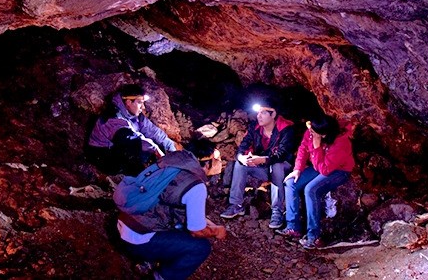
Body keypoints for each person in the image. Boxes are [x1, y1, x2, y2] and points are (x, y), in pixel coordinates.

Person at [115, 138, 227, 280]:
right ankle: (161, 276)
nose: (218, 162)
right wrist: (217, 231)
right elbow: (196, 231)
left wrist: (207, 222)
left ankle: (147, 262)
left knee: (180, 224)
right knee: (200, 248)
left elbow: (166, 202)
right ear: (206, 162)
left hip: (123, 223)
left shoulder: (168, 162)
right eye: (216, 159)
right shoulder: (196, 186)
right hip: (137, 241)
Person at [276, 114, 355, 249]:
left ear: (323, 135)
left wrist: (316, 147)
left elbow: (325, 169)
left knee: (311, 190)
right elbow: (303, 149)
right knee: (291, 183)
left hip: (338, 170)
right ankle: (292, 227)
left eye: (313, 132)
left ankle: (314, 236)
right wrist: (297, 169)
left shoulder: (341, 142)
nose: (309, 132)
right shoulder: (312, 131)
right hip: (319, 165)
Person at [220, 97, 295, 229]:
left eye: (263, 113)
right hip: (264, 167)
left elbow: (282, 155)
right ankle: (236, 205)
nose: (259, 116)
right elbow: (242, 147)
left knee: (276, 165)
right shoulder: (255, 128)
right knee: (240, 164)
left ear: (273, 114)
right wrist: (242, 157)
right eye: (258, 112)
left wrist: (263, 159)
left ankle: (277, 210)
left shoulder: (286, 129)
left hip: (283, 168)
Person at [86, 84, 177, 176]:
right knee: (139, 152)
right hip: (103, 155)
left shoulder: (134, 115)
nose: (143, 107)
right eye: (140, 103)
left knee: (160, 145)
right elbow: (132, 139)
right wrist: (155, 149)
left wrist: (171, 148)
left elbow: (153, 131)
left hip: (122, 146)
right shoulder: (112, 117)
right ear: (129, 102)